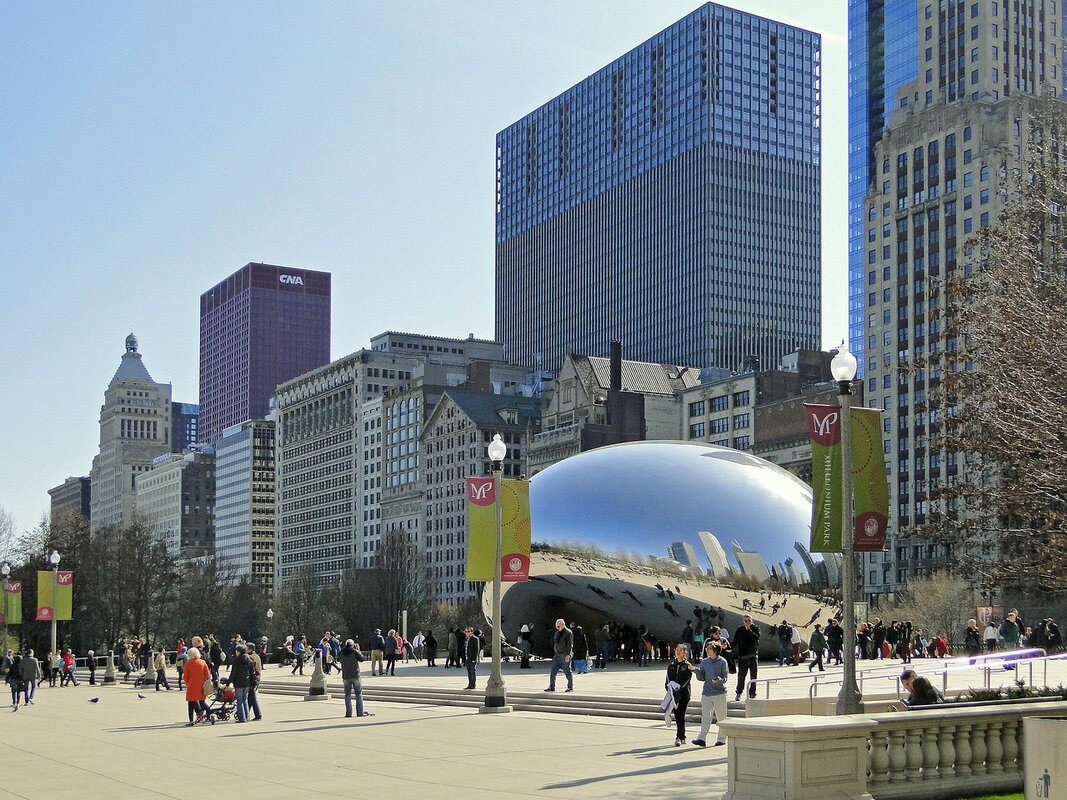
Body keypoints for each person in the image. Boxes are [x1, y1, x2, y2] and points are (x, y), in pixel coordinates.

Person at [692, 640, 729, 747]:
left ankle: (721, 739)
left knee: (721, 718)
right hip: (707, 693)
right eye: (707, 648)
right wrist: (695, 670)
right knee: (705, 717)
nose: (707, 650)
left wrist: (719, 680)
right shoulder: (704, 662)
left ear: (715, 650)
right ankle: (701, 738)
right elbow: (701, 677)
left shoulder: (722, 661)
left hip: (719, 693)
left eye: (709, 649)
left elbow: (725, 677)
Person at [665, 644, 692, 747]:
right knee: (677, 714)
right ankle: (682, 736)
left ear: (685, 652)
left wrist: (679, 689)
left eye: (680, 650)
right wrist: (669, 688)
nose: (678, 652)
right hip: (673, 695)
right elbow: (668, 679)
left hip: (684, 694)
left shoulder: (687, 665)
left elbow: (687, 680)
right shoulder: (671, 665)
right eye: (677, 650)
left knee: (680, 713)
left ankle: (679, 737)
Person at [339, 638, 371, 718]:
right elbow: (362, 659)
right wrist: (358, 650)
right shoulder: (354, 651)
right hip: (355, 675)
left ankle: (348, 713)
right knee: (358, 694)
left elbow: (340, 660)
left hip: (346, 676)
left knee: (347, 694)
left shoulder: (342, 652)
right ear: (352, 645)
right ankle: (360, 712)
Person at [733, 615, 760, 701]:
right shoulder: (739, 630)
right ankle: (739, 692)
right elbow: (735, 641)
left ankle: (752, 693)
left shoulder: (756, 628)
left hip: (752, 656)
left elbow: (755, 638)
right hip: (742, 657)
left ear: (752, 621)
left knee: (753, 677)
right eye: (745, 621)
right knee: (741, 676)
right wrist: (727, 647)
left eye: (748, 620)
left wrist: (748, 630)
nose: (747, 622)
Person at [182, 647, 211, 725]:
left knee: (191, 704)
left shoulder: (188, 664)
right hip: (201, 685)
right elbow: (207, 674)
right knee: (202, 701)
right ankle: (209, 712)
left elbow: (185, 676)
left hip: (191, 686)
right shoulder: (202, 662)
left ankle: (191, 720)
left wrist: (187, 682)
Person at [545, 618, 573, 693]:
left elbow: (570, 644)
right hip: (557, 654)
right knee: (553, 671)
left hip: (564, 654)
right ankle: (551, 686)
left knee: (567, 671)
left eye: (558, 626)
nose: (557, 628)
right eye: (556, 626)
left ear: (563, 625)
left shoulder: (568, 632)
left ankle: (570, 687)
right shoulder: (557, 633)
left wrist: (568, 655)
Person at [227, 643, 254, 723]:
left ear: (239, 652)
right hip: (247, 683)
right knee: (245, 700)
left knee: (239, 700)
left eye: (236, 651)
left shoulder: (237, 661)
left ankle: (242, 718)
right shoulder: (249, 660)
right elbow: (252, 672)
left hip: (238, 683)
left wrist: (228, 682)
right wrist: (253, 682)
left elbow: (233, 673)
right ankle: (247, 716)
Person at [246, 640, 263, 721]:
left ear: (250, 649)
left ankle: (258, 714)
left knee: (252, 697)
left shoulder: (250, 657)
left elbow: (251, 670)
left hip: (253, 678)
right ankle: (246, 714)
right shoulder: (257, 656)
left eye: (246, 648)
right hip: (257, 677)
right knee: (250, 697)